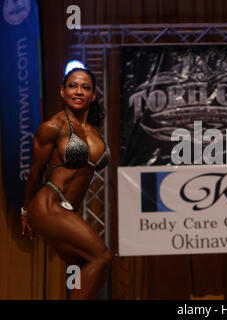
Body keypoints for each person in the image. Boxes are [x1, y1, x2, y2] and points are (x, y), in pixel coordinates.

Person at [20, 67, 112, 300]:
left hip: (68, 210)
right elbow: (35, 172)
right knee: (101, 257)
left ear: (93, 95)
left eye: (85, 87)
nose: (78, 91)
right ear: (62, 92)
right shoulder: (53, 127)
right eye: (73, 86)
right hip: (49, 204)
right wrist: (25, 210)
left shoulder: (93, 130)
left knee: (92, 270)